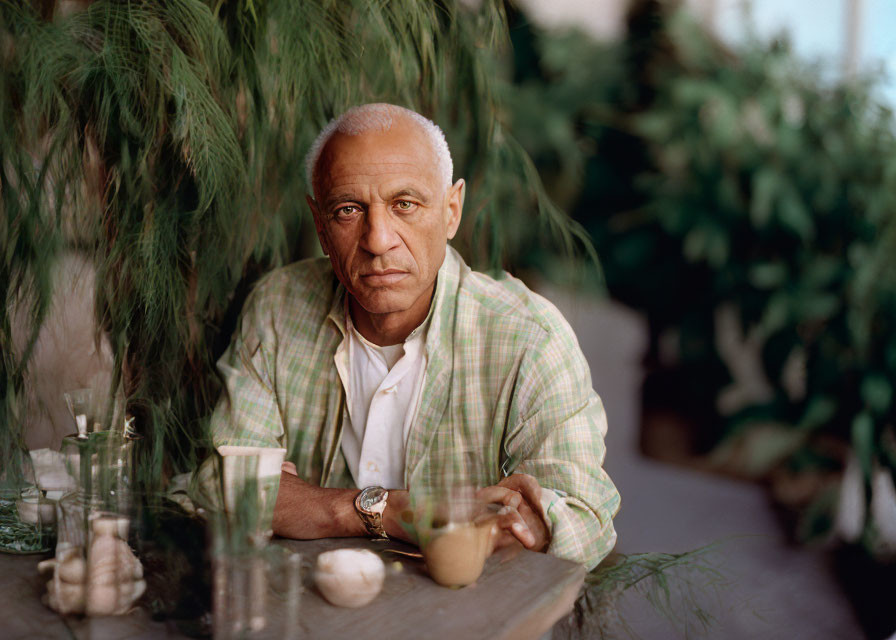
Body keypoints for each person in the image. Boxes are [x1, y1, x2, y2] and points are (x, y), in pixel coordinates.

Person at [209, 103, 619, 570]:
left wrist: (300, 502)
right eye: (348, 210)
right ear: (321, 227)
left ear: (451, 211)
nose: (379, 239)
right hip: (307, 608)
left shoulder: (529, 338)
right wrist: (383, 510)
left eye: (405, 204)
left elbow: (585, 520)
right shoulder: (277, 308)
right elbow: (227, 484)